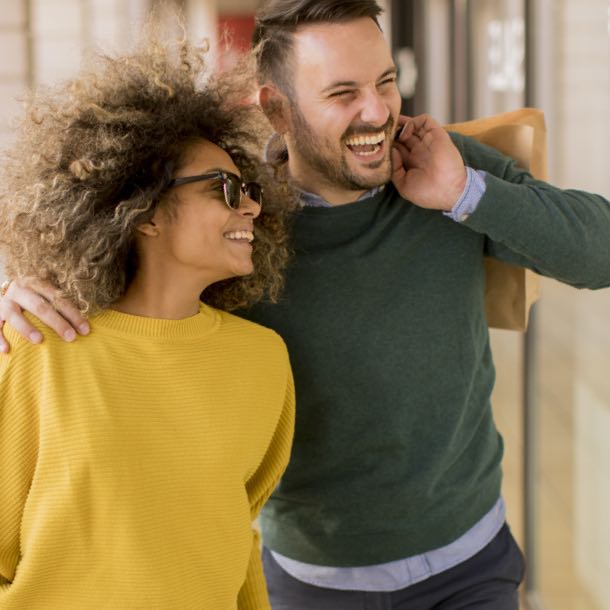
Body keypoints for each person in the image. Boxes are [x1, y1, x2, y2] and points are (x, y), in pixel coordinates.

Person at [3, 1, 610, 609]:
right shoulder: (237, 231)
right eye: (342, 93)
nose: (377, 112)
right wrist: (25, 289)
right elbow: (128, 298)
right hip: (312, 585)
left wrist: (462, 192)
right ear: (276, 110)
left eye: (386, 82)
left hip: (470, 564)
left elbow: (600, 253)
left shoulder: (445, 166)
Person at [0, 25, 295, 610]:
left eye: (250, 189)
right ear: (143, 212)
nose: (253, 205)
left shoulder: (264, 361)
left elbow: (236, 537)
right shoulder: (38, 347)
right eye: (225, 189)